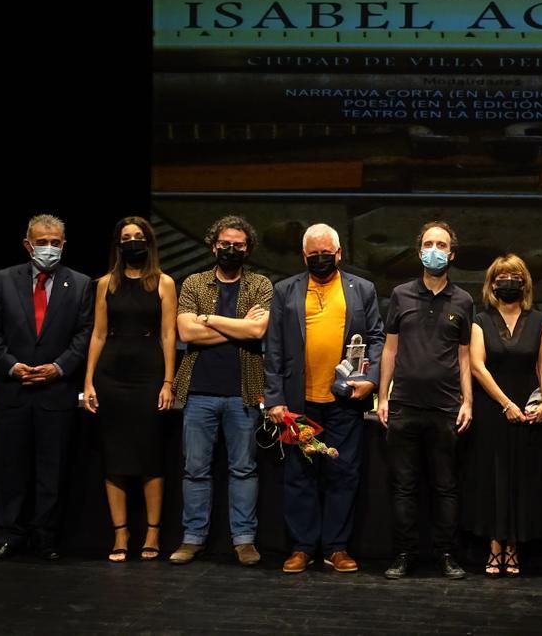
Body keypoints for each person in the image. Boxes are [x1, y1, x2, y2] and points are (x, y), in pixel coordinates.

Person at [265, 223, 384, 574]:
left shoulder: (362, 289)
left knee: (343, 473)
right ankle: (302, 547)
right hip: (298, 400)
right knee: (299, 475)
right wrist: (274, 399)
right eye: (313, 255)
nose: (320, 259)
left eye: (326, 254)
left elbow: (376, 338)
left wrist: (373, 380)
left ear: (339, 253)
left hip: (344, 401)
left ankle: (336, 548)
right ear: (304, 256)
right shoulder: (285, 290)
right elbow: (274, 348)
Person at [0, 214, 93, 563]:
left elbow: (85, 334)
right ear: (28, 244)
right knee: (12, 468)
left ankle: (46, 537)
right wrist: (13, 367)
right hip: (13, 390)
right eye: (42, 241)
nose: (48, 248)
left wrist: (58, 368)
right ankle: (11, 535)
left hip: (55, 391)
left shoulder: (80, 283)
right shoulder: (4, 279)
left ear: (63, 244)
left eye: (55, 242)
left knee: (51, 469)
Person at [168, 215, 272, 567]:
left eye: (238, 245)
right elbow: (186, 332)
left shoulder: (260, 284)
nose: (231, 250)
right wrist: (238, 327)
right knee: (195, 469)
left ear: (248, 249)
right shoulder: (194, 283)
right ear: (214, 245)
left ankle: (244, 540)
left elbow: (258, 332)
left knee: (243, 469)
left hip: (244, 392)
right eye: (225, 244)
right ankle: (192, 538)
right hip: (199, 391)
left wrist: (208, 319)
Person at [377, 221, 474, 580]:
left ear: (452, 254)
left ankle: (446, 554)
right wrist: (382, 395)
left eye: (442, 244)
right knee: (403, 486)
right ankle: (404, 553)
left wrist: (468, 402)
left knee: (445, 486)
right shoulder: (401, 295)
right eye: (429, 243)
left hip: (446, 408)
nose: (435, 249)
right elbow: (390, 348)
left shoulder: (463, 300)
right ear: (419, 251)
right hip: (403, 405)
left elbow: (464, 356)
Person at [84, 216, 177, 562]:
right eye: (126, 237)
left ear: (149, 242)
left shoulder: (164, 283)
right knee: (115, 458)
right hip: (111, 375)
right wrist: (88, 380)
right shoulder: (105, 283)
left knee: (150, 455)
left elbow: (169, 334)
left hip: (148, 373)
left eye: (139, 236)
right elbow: (98, 333)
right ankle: (120, 535)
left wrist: (168, 381)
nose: (133, 242)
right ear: (118, 244)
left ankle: (152, 533)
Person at [461, 254, 542, 577]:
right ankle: (494, 547)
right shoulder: (480, 321)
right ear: (492, 284)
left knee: (521, 481)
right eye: (501, 277)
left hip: (528, 412)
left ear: (524, 282)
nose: (508, 281)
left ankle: (513, 547)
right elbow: (476, 366)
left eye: (514, 276)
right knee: (494, 481)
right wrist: (505, 404)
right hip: (493, 410)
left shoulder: (540, 320)